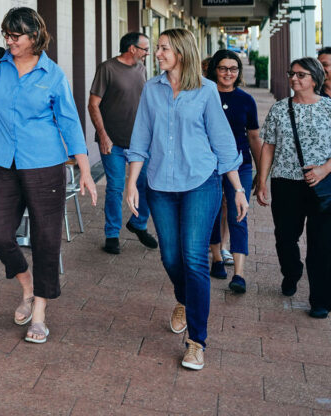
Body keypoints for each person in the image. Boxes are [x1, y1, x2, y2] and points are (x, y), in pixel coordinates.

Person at [0, 7, 97, 344]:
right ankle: (26, 284)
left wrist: (84, 168)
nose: (9, 41)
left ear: (35, 36)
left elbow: (69, 122)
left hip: (45, 165)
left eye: (16, 36)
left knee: (46, 239)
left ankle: (39, 311)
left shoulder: (52, 74)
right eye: (6, 35)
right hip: (5, 164)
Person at [125, 29, 247, 371]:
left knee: (194, 259)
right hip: (160, 185)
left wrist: (238, 189)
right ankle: (185, 298)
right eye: (157, 48)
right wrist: (131, 183)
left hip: (201, 183)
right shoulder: (151, 89)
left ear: (180, 51)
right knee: (170, 256)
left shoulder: (206, 91)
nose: (157, 53)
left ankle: (196, 341)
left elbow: (223, 143)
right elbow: (140, 139)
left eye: (163, 48)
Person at [255, 57, 331, 319]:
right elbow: (269, 146)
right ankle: (291, 272)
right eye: (292, 74)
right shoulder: (279, 109)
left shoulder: (329, 108)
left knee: (321, 245)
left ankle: (320, 300)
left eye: (300, 74)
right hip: (285, 183)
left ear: (315, 78)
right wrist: (261, 180)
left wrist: (324, 169)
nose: (294, 78)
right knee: (285, 237)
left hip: (322, 184)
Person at [88, 31, 157, 255]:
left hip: (140, 143)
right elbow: (93, 104)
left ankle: (138, 224)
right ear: (132, 49)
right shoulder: (107, 68)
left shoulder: (141, 68)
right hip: (113, 142)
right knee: (116, 188)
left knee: (147, 184)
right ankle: (112, 234)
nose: (148, 53)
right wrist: (103, 135)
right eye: (145, 49)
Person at [204, 50, 262, 293]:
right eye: (223, 68)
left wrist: (261, 172)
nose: (228, 73)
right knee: (213, 211)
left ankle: (239, 274)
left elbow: (254, 137)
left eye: (233, 69)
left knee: (239, 214)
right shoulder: (204, 96)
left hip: (241, 164)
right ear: (214, 70)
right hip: (209, 165)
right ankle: (217, 258)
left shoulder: (246, 100)